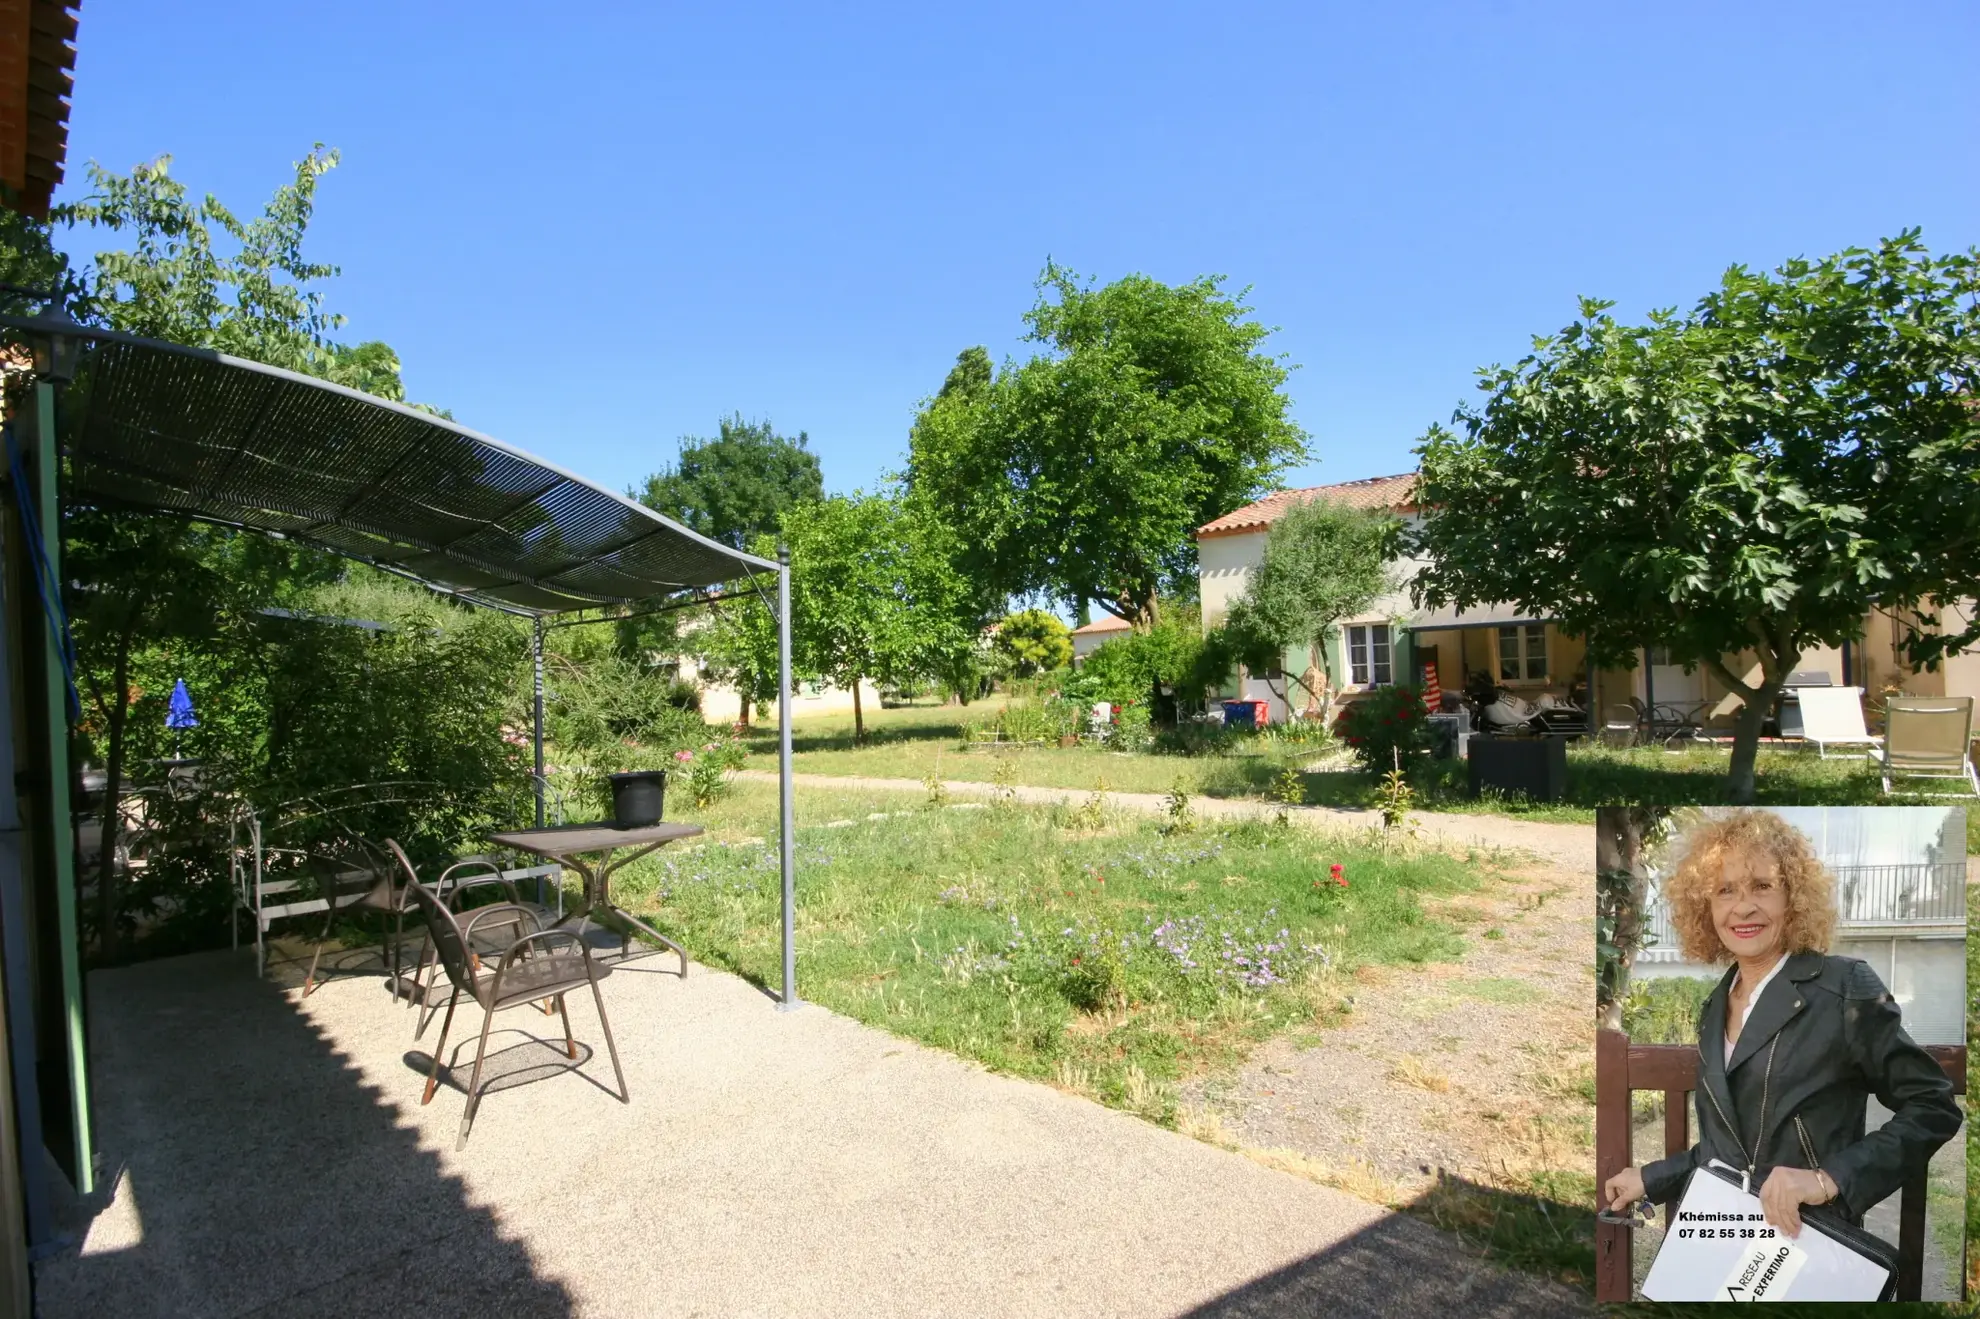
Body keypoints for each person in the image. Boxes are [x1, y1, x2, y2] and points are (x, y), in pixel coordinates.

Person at [1601, 810, 1961, 1239]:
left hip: (1810, 1239)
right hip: (1728, 1233)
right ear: (1705, 907)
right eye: (1725, 890)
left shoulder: (1843, 987)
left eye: (1762, 886)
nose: (1743, 907)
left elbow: (1933, 1106)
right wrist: (1651, 1178)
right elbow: (1728, 1152)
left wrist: (1829, 1179)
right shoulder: (1715, 1005)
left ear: (1793, 897)